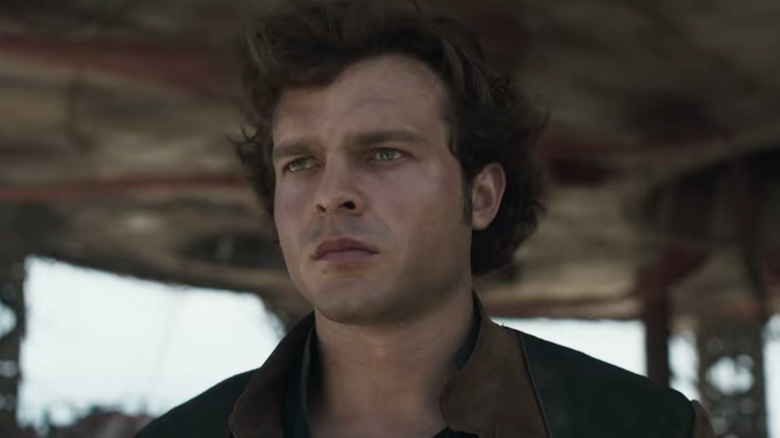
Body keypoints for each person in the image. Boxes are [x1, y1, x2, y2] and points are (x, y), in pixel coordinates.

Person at [136, 1, 715, 437]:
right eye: (301, 163)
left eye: (384, 153)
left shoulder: (643, 427)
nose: (332, 195)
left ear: (480, 196)